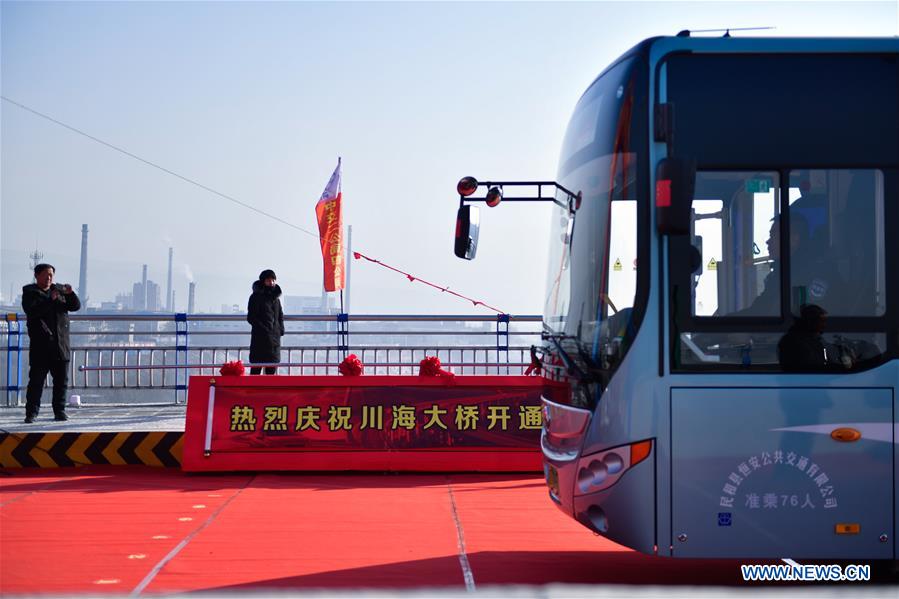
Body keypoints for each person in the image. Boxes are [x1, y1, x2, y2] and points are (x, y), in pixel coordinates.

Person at [22, 263, 81, 423]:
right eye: (46, 275)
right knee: (36, 382)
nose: (49, 278)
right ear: (37, 276)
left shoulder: (59, 291)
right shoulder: (30, 293)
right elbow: (32, 311)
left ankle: (59, 411)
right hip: (41, 346)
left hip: (60, 344)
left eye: (51, 275)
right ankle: (31, 413)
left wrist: (70, 294)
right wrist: (50, 299)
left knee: (61, 382)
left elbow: (75, 306)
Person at [777, 303, 843, 372]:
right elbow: (813, 366)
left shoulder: (814, 339)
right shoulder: (794, 342)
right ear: (810, 322)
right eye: (821, 321)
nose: (824, 325)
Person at [247, 269, 284, 375]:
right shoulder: (255, 297)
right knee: (255, 370)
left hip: (274, 341)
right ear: (263, 281)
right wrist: (264, 330)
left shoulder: (276, 298)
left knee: (271, 372)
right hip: (260, 340)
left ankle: (269, 392)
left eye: (273, 280)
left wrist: (280, 330)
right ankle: (252, 392)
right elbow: (251, 317)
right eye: (268, 280)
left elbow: (280, 316)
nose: (271, 283)